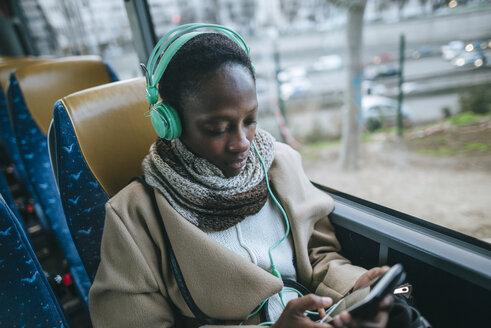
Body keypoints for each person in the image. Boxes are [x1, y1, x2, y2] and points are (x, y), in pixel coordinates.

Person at [89, 25, 395, 328]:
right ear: (169, 123)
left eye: (250, 120)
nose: (242, 142)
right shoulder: (133, 216)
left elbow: (319, 256)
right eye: (218, 129)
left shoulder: (281, 165)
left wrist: (355, 286)